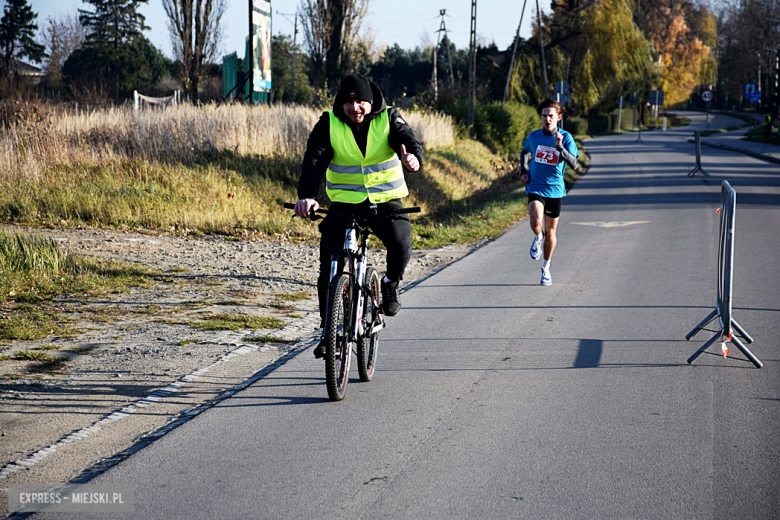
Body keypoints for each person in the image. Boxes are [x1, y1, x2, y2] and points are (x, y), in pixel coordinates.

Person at [293, 74, 423, 358]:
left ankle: (390, 284)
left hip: (385, 202)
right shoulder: (329, 122)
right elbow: (314, 160)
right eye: (350, 102)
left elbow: (409, 141)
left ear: (370, 101)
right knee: (329, 266)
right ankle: (329, 331)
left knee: (400, 244)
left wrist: (412, 158)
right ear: (342, 102)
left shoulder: (388, 117)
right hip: (345, 205)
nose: (355, 108)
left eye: (360, 101)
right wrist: (307, 196)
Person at [519, 99, 579, 286]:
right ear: (541, 117)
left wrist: (560, 147)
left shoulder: (566, 137)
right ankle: (538, 237)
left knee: (551, 232)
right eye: (544, 116)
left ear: (558, 118)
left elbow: (574, 163)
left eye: (551, 116)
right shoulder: (534, 136)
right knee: (536, 219)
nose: (547, 119)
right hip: (536, 185)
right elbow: (524, 152)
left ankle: (546, 268)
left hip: (555, 189)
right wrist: (523, 170)